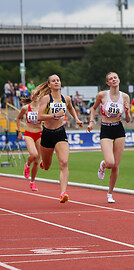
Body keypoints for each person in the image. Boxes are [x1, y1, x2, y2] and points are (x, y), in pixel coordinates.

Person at [37, 74, 83, 203]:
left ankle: (63, 192)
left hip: (60, 133)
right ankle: (43, 162)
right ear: (49, 85)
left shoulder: (66, 98)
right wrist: (53, 115)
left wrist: (77, 119)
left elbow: (70, 108)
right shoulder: (46, 99)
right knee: (46, 166)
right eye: (53, 81)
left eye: (58, 80)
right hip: (47, 134)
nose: (56, 82)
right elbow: (39, 117)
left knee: (64, 162)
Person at [87, 72, 131, 203]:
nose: (114, 80)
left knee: (116, 165)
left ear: (119, 80)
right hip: (105, 128)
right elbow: (93, 109)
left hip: (119, 128)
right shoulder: (102, 95)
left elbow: (128, 120)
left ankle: (110, 194)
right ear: (108, 83)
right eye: (111, 78)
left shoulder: (125, 97)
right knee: (110, 163)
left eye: (115, 77)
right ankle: (103, 165)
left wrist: (127, 111)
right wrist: (91, 122)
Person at [15, 85, 44, 191]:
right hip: (29, 134)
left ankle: (32, 182)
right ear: (31, 96)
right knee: (34, 154)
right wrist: (19, 131)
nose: (35, 96)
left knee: (37, 161)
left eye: (37, 94)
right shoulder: (26, 108)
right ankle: (27, 165)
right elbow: (18, 118)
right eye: (33, 94)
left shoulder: (43, 107)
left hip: (40, 133)